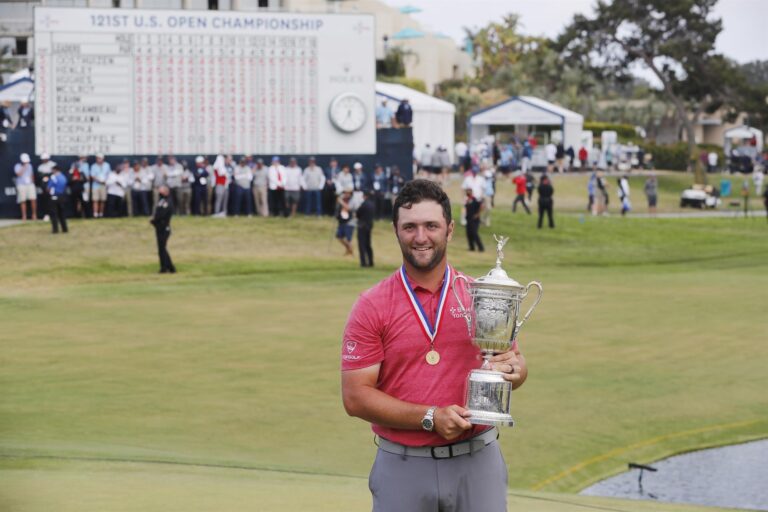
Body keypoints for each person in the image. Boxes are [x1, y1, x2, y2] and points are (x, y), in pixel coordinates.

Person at [341, 179, 526, 511]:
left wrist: (518, 370)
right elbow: (355, 397)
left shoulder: (480, 294)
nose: (421, 237)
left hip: (478, 460)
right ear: (396, 231)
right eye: (409, 227)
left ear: (450, 229)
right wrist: (429, 416)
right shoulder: (372, 304)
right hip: (403, 465)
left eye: (431, 225)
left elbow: (512, 364)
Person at [150, 185, 176, 274]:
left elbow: (163, 214)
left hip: (164, 228)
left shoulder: (167, 202)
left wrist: (155, 220)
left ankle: (166, 267)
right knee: (162, 248)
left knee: (162, 248)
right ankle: (168, 267)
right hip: (159, 228)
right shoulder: (161, 201)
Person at [14, 153, 37, 220]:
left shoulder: (30, 166)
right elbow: (18, 174)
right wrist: (24, 167)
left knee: (33, 199)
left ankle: (34, 215)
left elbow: (31, 174)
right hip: (21, 185)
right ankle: (24, 216)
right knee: (22, 200)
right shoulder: (17, 166)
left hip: (30, 184)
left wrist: (33, 182)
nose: (26, 162)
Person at [46, 165, 68, 234]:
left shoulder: (53, 177)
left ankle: (55, 230)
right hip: (62, 197)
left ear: (55, 170)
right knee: (62, 213)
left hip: (54, 197)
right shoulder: (63, 177)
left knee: (54, 214)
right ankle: (65, 229)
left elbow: (48, 188)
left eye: (52, 170)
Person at [87, 153, 110, 218]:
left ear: (103, 159)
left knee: (103, 200)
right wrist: (99, 181)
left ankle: (101, 214)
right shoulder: (93, 166)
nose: (98, 159)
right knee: (95, 200)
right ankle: (95, 214)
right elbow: (92, 176)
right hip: (95, 185)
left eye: (99, 158)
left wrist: (105, 181)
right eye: (97, 158)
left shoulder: (107, 165)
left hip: (104, 185)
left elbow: (108, 174)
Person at [356, 190, 375, 267]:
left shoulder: (363, 204)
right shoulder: (372, 204)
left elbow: (358, 213)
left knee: (362, 245)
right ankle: (371, 262)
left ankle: (363, 263)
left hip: (362, 226)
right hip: (369, 226)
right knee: (368, 244)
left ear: (365, 196)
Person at [336, 189, 355, 256]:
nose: (346, 194)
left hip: (350, 221)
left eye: (348, 193)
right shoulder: (343, 199)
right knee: (339, 236)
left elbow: (348, 208)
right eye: (345, 193)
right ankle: (349, 249)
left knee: (348, 238)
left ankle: (350, 251)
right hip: (342, 220)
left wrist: (340, 202)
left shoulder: (352, 200)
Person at [464, 187, 484, 252]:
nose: (467, 193)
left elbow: (481, 206)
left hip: (474, 220)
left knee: (474, 233)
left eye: (468, 191)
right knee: (468, 233)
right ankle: (471, 247)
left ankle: (481, 248)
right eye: (467, 191)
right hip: (468, 219)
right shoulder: (467, 200)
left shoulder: (475, 199)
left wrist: (477, 214)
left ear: (471, 192)